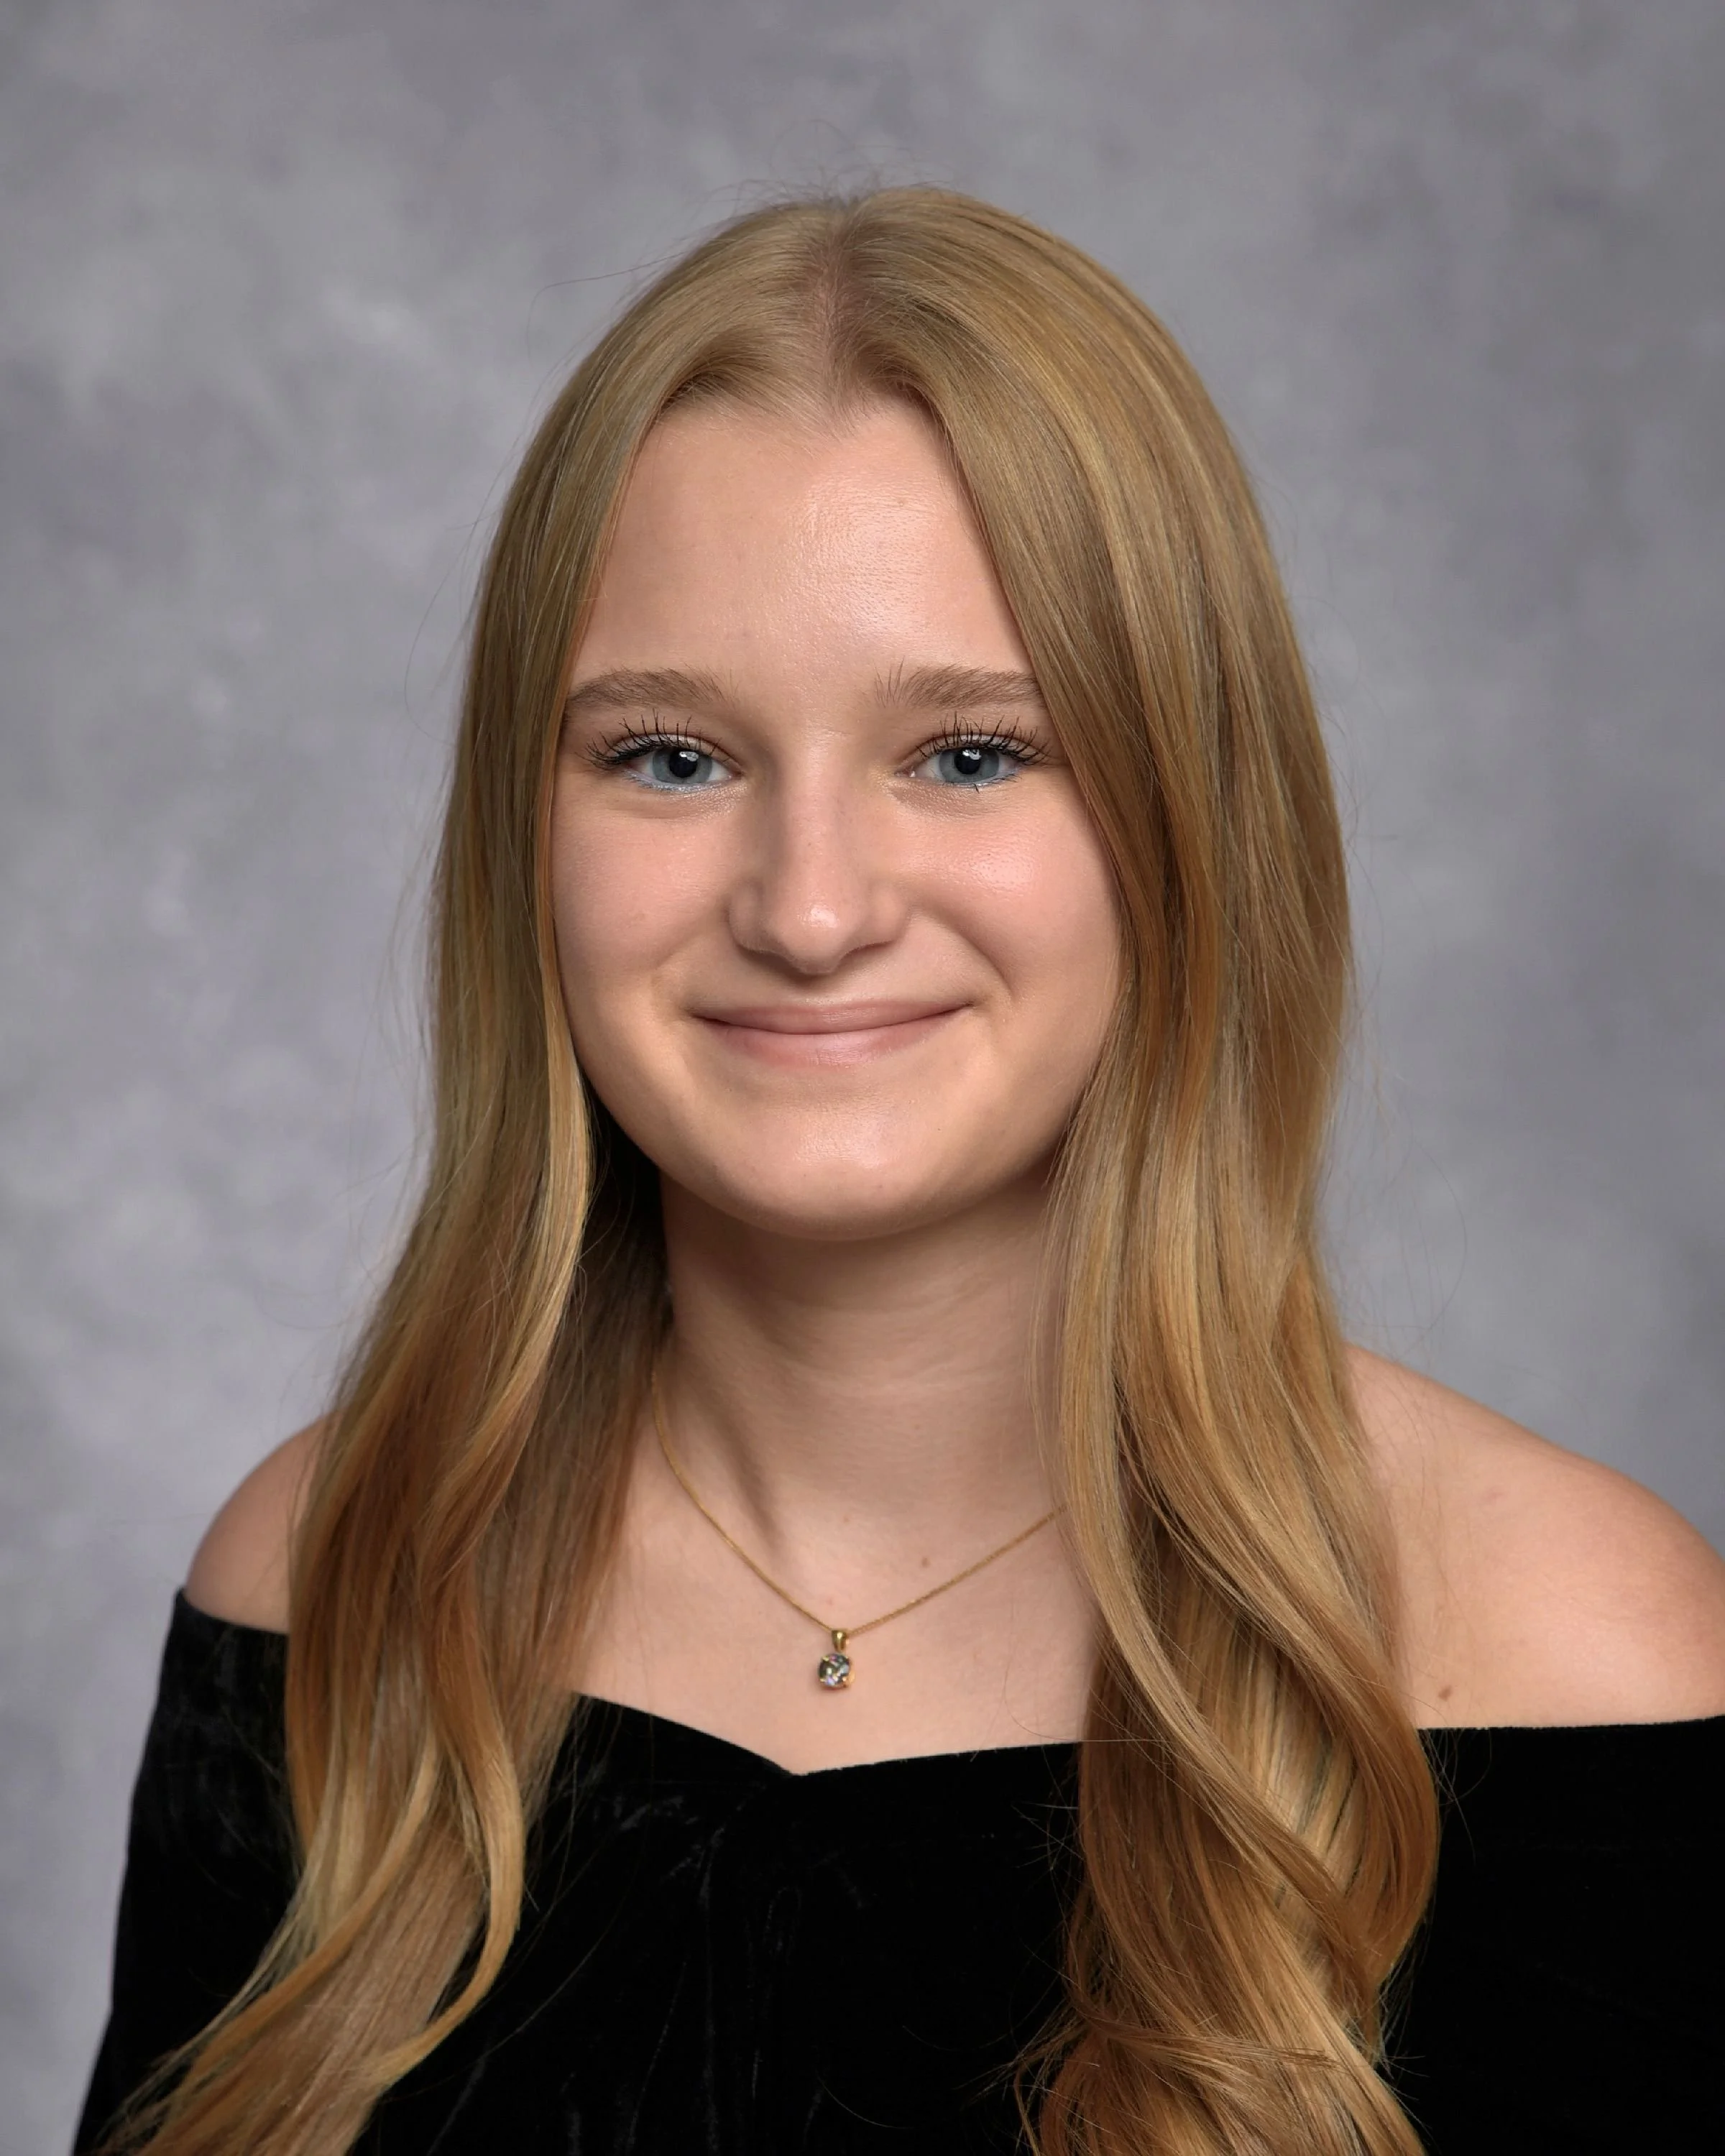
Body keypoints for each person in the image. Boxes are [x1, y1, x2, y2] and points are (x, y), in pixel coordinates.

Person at [76, 188, 1725, 2156]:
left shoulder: (1565, 1649)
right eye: (672, 757)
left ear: (1188, 819)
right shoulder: (332, 1573)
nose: (811, 907)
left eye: (967, 755)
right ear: (529, 835)